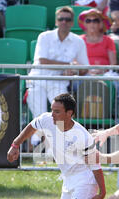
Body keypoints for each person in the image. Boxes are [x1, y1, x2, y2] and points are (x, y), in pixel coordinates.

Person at [7, 93, 110, 199]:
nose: (52, 115)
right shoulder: (47, 119)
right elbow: (32, 126)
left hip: (85, 179)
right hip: (68, 179)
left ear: (69, 114)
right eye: (52, 110)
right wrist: (15, 144)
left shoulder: (82, 136)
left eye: (57, 112)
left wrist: (102, 192)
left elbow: (95, 165)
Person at [26, 6, 89, 149]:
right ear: (56, 21)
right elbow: (42, 60)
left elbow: (85, 68)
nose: (64, 22)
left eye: (67, 19)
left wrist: (74, 72)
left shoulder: (78, 41)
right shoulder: (44, 36)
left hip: (59, 82)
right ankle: (40, 147)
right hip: (37, 80)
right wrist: (69, 65)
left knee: (59, 115)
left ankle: (52, 149)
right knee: (41, 115)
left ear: (72, 23)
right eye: (61, 19)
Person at [78, 8, 116, 74]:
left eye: (95, 21)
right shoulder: (79, 40)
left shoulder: (108, 40)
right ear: (84, 24)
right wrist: (87, 71)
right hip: (84, 75)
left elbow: (113, 64)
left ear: (101, 24)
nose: (92, 23)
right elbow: (75, 62)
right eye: (88, 21)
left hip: (105, 75)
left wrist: (102, 71)